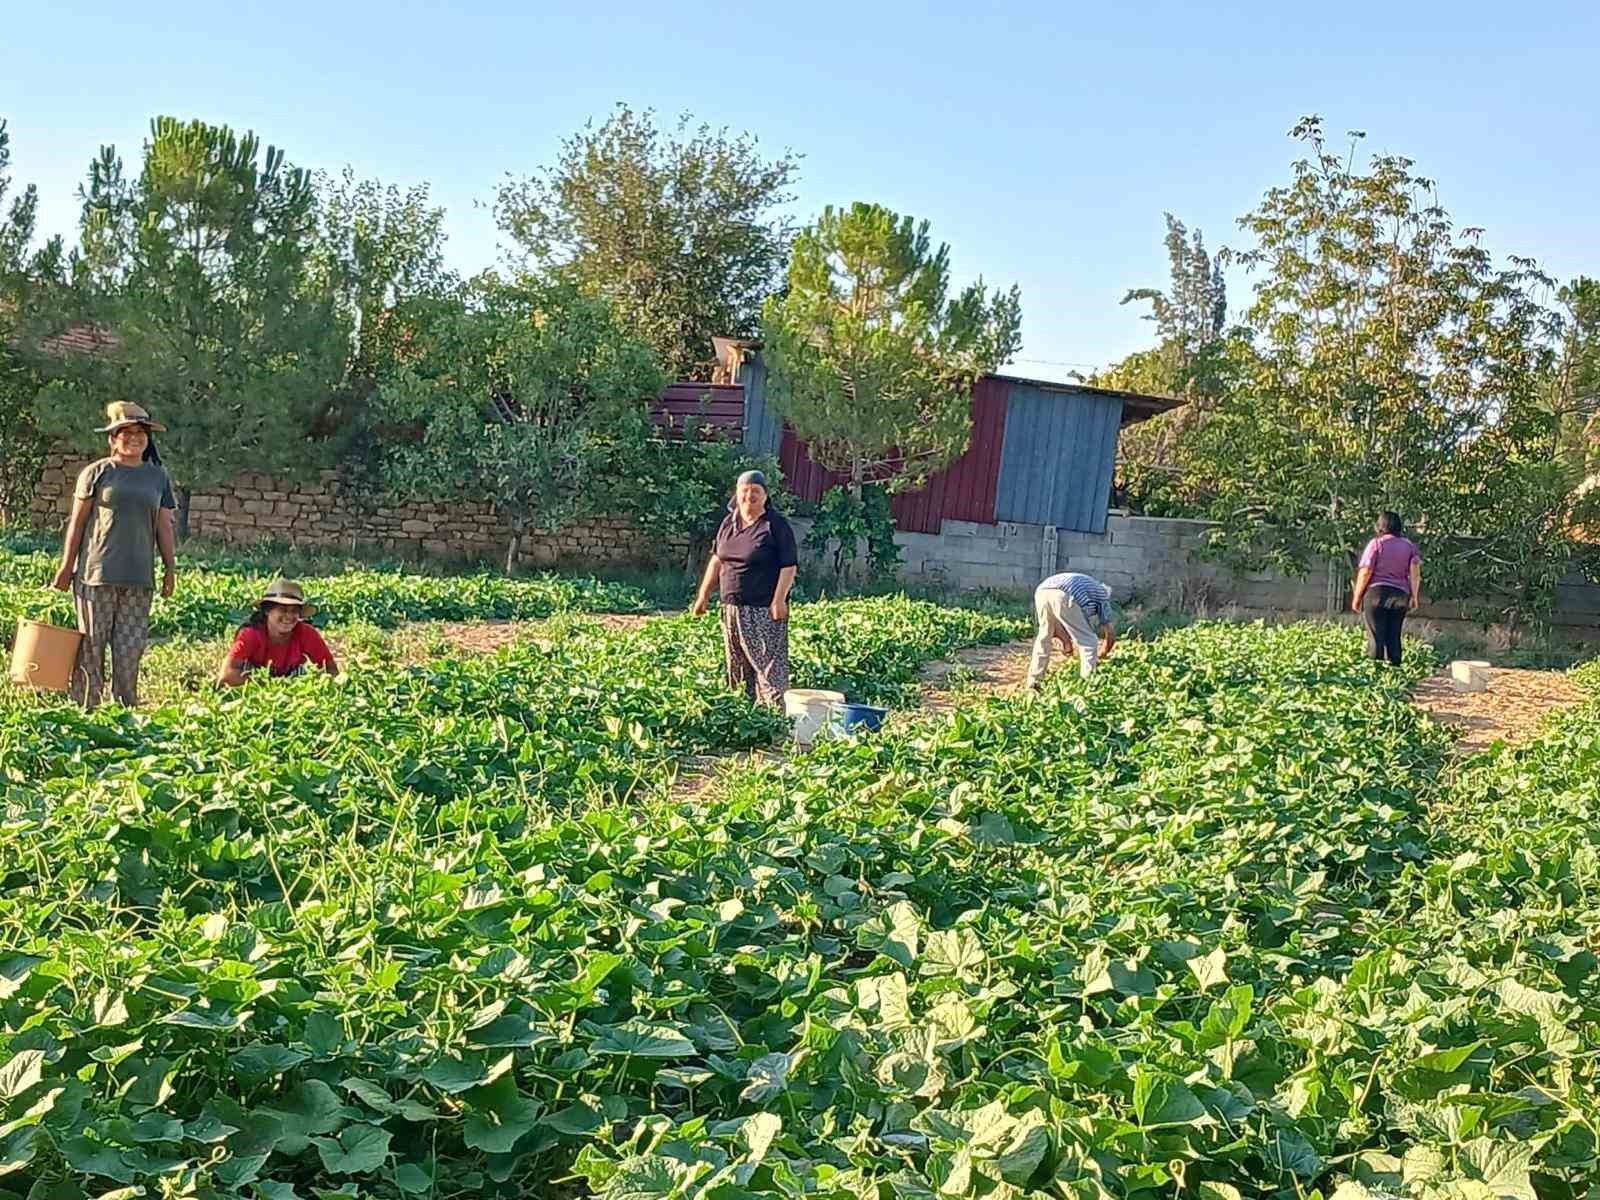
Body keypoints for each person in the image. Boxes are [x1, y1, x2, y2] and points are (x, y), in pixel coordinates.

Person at [49, 401, 177, 710]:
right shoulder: (97, 473)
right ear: (113, 438)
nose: (134, 438)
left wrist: (170, 569)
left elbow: (164, 526)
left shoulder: (157, 477)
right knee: (91, 644)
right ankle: (87, 706)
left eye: (140, 433)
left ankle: (125, 709)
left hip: (138, 577)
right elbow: (77, 523)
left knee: (129, 648)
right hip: (96, 573)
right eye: (127, 432)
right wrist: (67, 567)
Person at [691, 469, 798, 709]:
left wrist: (778, 600)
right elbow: (718, 560)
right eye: (745, 491)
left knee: (768, 664)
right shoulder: (729, 523)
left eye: (755, 491)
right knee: (737, 663)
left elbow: (789, 566)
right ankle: (743, 713)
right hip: (731, 606)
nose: (749, 496)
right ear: (737, 494)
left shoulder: (775, 525)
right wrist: (703, 596)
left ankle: (773, 716)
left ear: (765, 496)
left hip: (763, 609)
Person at [217, 579, 339, 686]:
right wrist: (269, 685)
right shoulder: (251, 634)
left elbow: (331, 670)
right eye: (282, 610)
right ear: (267, 611)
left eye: (294, 611)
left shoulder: (307, 634)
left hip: (292, 685)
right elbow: (227, 675)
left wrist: (311, 684)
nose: (289, 616)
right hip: (253, 685)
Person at [1351, 511, 1422, 665]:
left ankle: (1377, 678)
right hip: (1400, 595)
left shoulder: (1376, 544)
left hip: (1376, 594)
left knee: (1376, 639)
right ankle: (1395, 677)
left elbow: (1365, 571)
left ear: (1380, 526)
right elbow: (1415, 573)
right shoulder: (1409, 546)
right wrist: (1414, 597)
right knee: (1394, 637)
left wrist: (1357, 597)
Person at [1026, 570, 1117, 689]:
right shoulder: (1102, 596)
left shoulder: (1088, 590)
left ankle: (1034, 680)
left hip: (1043, 591)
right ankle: (1087, 683)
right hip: (1066, 593)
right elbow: (1109, 633)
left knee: (1045, 635)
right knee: (1089, 641)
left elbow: (1059, 627)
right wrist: (1103, 653)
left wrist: (1067, 644)